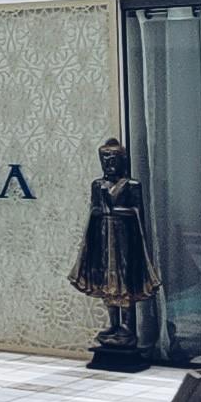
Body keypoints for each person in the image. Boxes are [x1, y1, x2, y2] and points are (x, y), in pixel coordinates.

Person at [72, 135, 160, 369]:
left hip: (124, 241)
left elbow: (137, 213)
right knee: (106, 282)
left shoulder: (131, 185)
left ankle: (127, 328)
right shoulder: (98, 185)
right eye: (105, 160)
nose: (109, 164)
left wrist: (114, 211)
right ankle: (113, 324)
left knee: (124, 282)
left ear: (122, 161)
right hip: (103, 239)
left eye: (113, 160)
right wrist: (100, 213)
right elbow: (93, 210)